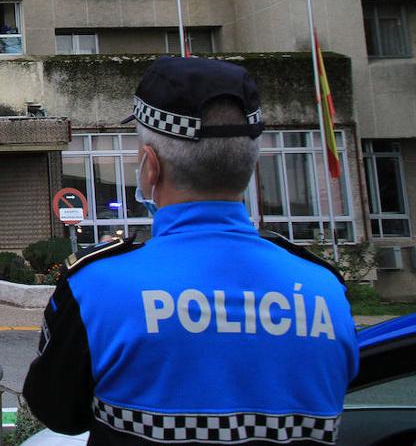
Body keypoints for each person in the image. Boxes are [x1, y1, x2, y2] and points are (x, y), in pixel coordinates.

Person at [22, 56, 358, 445]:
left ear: (150, 168)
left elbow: (57, 413)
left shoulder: (95, 287)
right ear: (250, 165)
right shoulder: (327, 291)